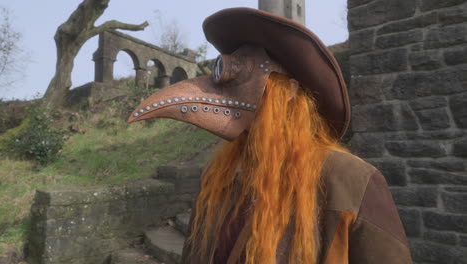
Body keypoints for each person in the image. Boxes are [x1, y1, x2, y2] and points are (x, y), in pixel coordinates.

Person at [128, 7, 412, 264]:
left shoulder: (352, 179)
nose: (228, 87)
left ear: (289, 91)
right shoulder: (220, 176)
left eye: (247, 74)